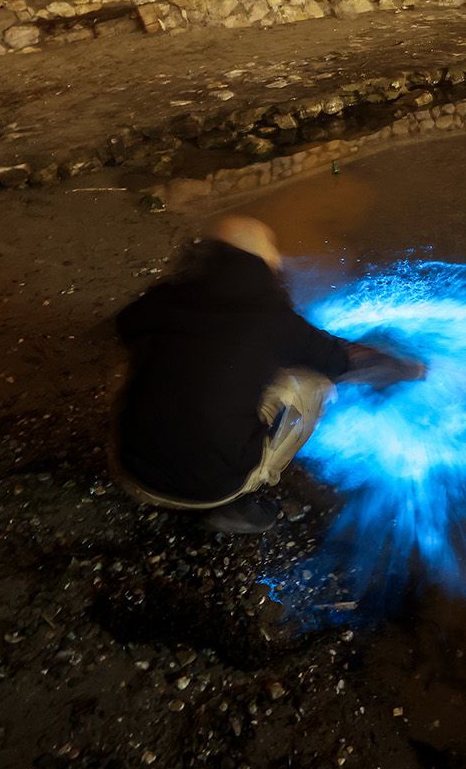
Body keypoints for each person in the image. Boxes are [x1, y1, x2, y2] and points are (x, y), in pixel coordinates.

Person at [111, 215, 422, 533]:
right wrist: (410, 369)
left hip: (131, 471)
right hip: (209, 490)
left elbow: (125, 324)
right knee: (311, 382)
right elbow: (342, 361)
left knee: (157, 360)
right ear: (263, 266)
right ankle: (235, 502)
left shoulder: (163, 298)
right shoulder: (273, 320)